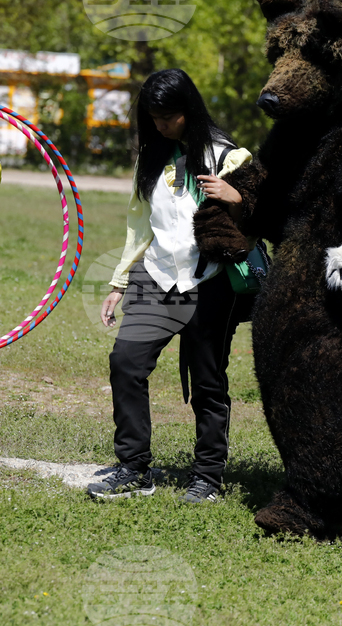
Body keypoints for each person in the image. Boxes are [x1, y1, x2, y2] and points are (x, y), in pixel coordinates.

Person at [88, 69, 252, 503]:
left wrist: (238, 200)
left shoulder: (228, 157)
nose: (161, 125)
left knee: (208, 384)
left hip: (210, 281)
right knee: (125, 361)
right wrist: (120, 281)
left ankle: (207, 478)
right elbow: (139, 227)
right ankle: (134, 469)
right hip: (156, 275)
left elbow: (265, 216)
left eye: (169, 116)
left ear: (190, 110)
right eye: (153, 117)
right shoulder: (151, 159)